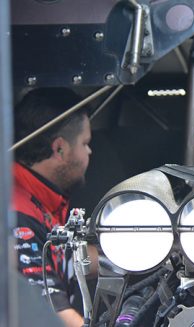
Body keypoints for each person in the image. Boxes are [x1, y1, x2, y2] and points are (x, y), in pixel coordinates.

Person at [11, 88, 94, 327]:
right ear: (59, 148)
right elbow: (52, 314)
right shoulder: (17, 212)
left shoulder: (41, 198)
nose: (90, 151)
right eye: (85, 143)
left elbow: (71, 258)